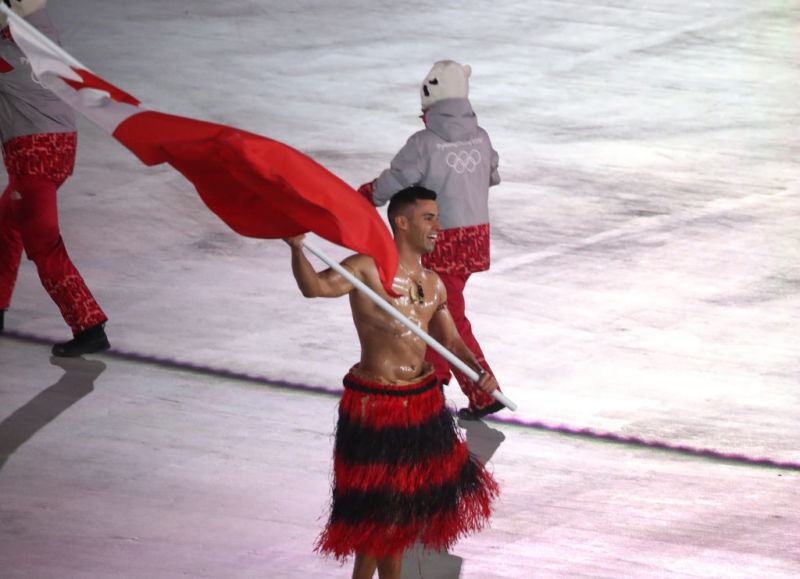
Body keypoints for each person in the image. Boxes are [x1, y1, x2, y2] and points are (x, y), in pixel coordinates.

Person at [285, 186, 500, 579]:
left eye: (436, 217)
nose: (439, 226)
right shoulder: (366, 269)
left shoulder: (433, 283)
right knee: (374, 518)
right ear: (401, 222)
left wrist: (477, 372)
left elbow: (451, 340)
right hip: (375, 405)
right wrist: (297, 249)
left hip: (419, 405)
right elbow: (314, 288)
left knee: (399, 517)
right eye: (429, 218)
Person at [357, 60, 502, 419]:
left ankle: (483, 390)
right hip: (475, 238)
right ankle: (434, 385)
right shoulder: (481, 137)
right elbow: (493, 174)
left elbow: (396, 178)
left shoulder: (424, 143)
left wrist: (369, 195)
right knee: (441, 312)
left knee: (447, 316)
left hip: (442, 238)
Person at [0, 0, 110, 356]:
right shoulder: (41, 35)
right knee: (5, 226)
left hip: (32, 159)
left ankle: (89, 326)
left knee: (44, 247)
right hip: (61, 149)